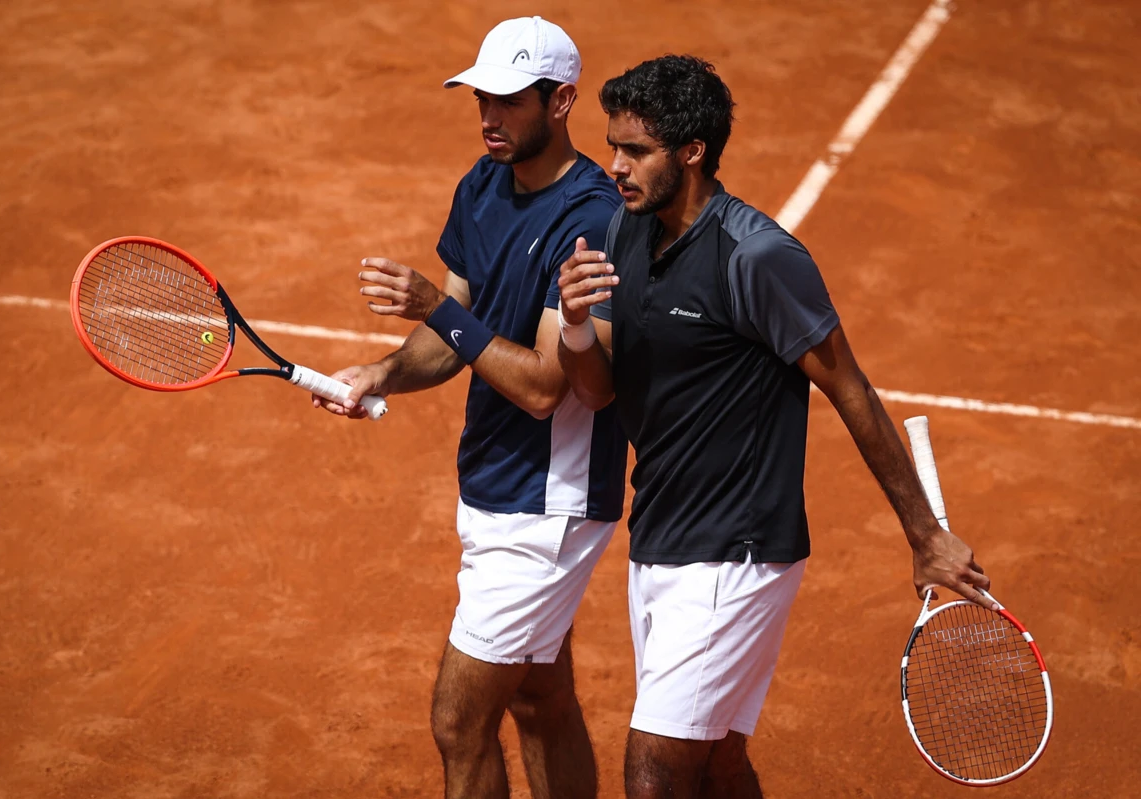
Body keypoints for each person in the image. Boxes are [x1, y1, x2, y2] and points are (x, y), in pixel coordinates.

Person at [555, 55, 995, 799]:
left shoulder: (756, 257)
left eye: (635, 150)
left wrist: (924, 534)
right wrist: (572, 325)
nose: (616, 167)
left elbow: (850, 388)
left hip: (737, 551)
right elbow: (598, 392)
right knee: (718, 762)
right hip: (661, 535)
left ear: (692, 152)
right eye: (613, 147)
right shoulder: (625, 230)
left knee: (654, 773)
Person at [313, 17, 627, 799]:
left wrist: (432, 305)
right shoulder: (482, 186)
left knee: (459, 721)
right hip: (494, 484)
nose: (489, 116)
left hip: (547, 506)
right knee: (540, 697)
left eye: (510, 101)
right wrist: (383, 372)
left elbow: (545, 385)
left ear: (561, 102)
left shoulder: (591, 217)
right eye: (482, 97)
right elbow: (453, 338)